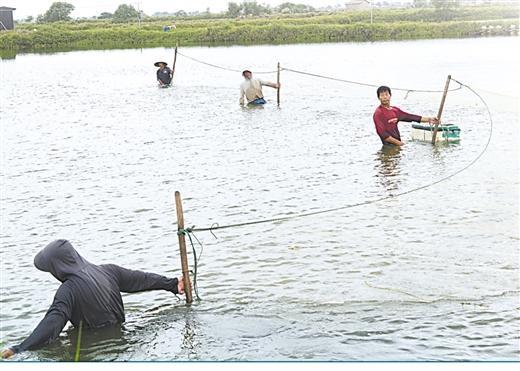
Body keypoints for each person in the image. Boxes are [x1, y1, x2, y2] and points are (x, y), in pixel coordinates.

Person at [1, 239, 186, 359]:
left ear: (58, 267)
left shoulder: (68, 291)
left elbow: (52, 323)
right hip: (122, 340)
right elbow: (141, 279)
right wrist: (172, 284)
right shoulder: (107, 270)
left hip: (98, 349)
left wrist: (19, 348)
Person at [373, 86, 439, 146]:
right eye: (382, 95)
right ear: (379, 97)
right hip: (388, 146)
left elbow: (410, 117)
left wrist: (429, 119)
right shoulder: (378, 113)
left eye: (386, 94)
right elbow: (383, 135)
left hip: (397, 145)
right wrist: (400, 144)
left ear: (390, 95)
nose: (385, 97)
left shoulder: (395, 110)